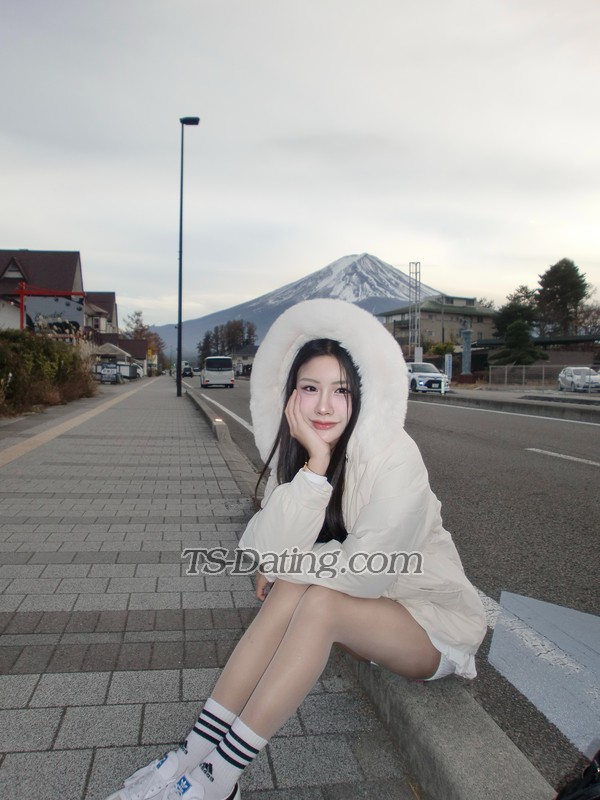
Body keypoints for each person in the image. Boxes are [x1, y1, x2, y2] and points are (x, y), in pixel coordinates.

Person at [105, 299, 487, 800]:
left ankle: (218, 777)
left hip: (430, 624)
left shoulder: (396, 455)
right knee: (294, 586)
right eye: (310, 388)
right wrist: (316, 466)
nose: (324, 406)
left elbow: (366, 573)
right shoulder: (302, 453)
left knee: (316, 596)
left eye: (341, 390)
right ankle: (193, 753)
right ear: (290, 395)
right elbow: (268, 551)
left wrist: (285, 564)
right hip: (367, 615)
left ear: (364, 395)